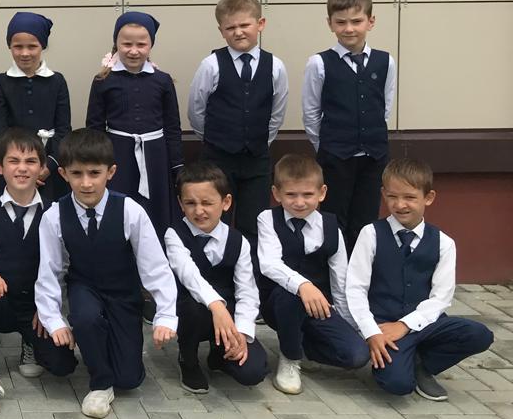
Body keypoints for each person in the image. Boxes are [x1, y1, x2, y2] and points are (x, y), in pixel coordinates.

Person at [34, 129, 178, 419]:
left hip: (123, 294)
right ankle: (99, 382)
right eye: (77, 174)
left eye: (94, 173)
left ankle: (109, 348)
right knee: (85, 316)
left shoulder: (130, 211)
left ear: (110, 172)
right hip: (84, 287)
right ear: (63, 174)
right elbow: (49, 272)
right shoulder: (53, 216)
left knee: (129, 379)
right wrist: (54, 319)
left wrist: (165, 315)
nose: (86, 183)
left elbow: (155, 267)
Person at [346, 159, 493, 401]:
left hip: (425, 324)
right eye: (392, 197)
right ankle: (404, 362)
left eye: (410, 197)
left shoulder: (444, 243)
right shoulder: (371, 234)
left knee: (479, 334)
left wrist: (405, 326)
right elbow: (355, 288)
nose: (400, 204)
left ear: (429, 197)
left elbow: (441, 298)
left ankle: (422, 365)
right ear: (383, 194)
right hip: (383, 327)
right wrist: (371, 332)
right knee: (397, 385)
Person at [0, 128, 75, 415]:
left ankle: (29, 343)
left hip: (36, 305)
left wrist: (50, 309)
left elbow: (63, 265)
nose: (22, 168)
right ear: (0, 167)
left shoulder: (54, 212)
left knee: (63, 366)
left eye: (31, 161)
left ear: (42, 168)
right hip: (2, 301)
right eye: (14, 161)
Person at [256, 154, 369, 395]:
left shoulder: (332, 227)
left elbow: (340, 281)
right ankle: (290, 358)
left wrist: (351, 326)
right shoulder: (267, 219)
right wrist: (303, 285)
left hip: (319, 307)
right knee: (291, 294)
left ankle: (303, 348)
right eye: (291, 195)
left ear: (322, 193)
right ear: (276, 193)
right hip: (278, 304)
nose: (299, 202)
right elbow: (269, 263)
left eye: (307, 194)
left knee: (357, 355)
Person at [187, 0, 288, 244]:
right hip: (218, 157)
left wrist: (260, 141)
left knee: (254, 222)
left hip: (256, 159)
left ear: (260, 24)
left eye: (245, 25)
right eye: (230, 27)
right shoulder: (211, 65)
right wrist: (214, 139)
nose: (238, 32)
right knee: (214, 219)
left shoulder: (275, 66)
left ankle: (250, 267)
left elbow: (277, 112)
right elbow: (196, 110)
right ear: (221, 31)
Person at [301, 0, 397, 244]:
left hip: (373, 157)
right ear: (330, 23)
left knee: (366, 220)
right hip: (335, 157)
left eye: (356, 21)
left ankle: (361, 269)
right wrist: (327, 147)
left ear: (370, 22)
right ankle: (335, 268)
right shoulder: (319, 63)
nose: (349, 28)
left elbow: (384, 106)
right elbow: (311, 113)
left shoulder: (385, 61)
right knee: (334, 220)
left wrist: (371, 138)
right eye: (341, 22)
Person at [165, 163, 268, 395]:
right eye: (190, 203)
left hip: (228, 315)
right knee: (193, 308)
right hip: (192, 311)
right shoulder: (174, 234)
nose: (199, 211)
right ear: (180, 203)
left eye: (207, 203)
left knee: (253, 372)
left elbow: (247, 291)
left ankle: (220, 353)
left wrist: (242, 333)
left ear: (226, 202)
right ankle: (188, 358)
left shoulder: (238, 241)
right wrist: (216, 306)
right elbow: (188, 274)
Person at [86, 11, 183, 236]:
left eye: (141, 44)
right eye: (126, 44)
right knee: (120, 208)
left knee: (155, 211)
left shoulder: (163, 80)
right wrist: (98, 162)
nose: (133, 50)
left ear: (151, 45)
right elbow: (95, 127)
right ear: (116, 43)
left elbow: (172, 126)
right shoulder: (103, 81)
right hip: (118, 155)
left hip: (156, 156)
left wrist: (177, 165)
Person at [0, 11, 71, 202]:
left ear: (42, 46)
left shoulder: (57, 81)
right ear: (10, 46)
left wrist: (47, 166)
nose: (25, 53)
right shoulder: (1, 82)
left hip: (49, 169)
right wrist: (20, 166)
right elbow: (0, 129)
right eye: (18, 47)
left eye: (32, 46)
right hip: (13, 168)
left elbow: (63, 129)